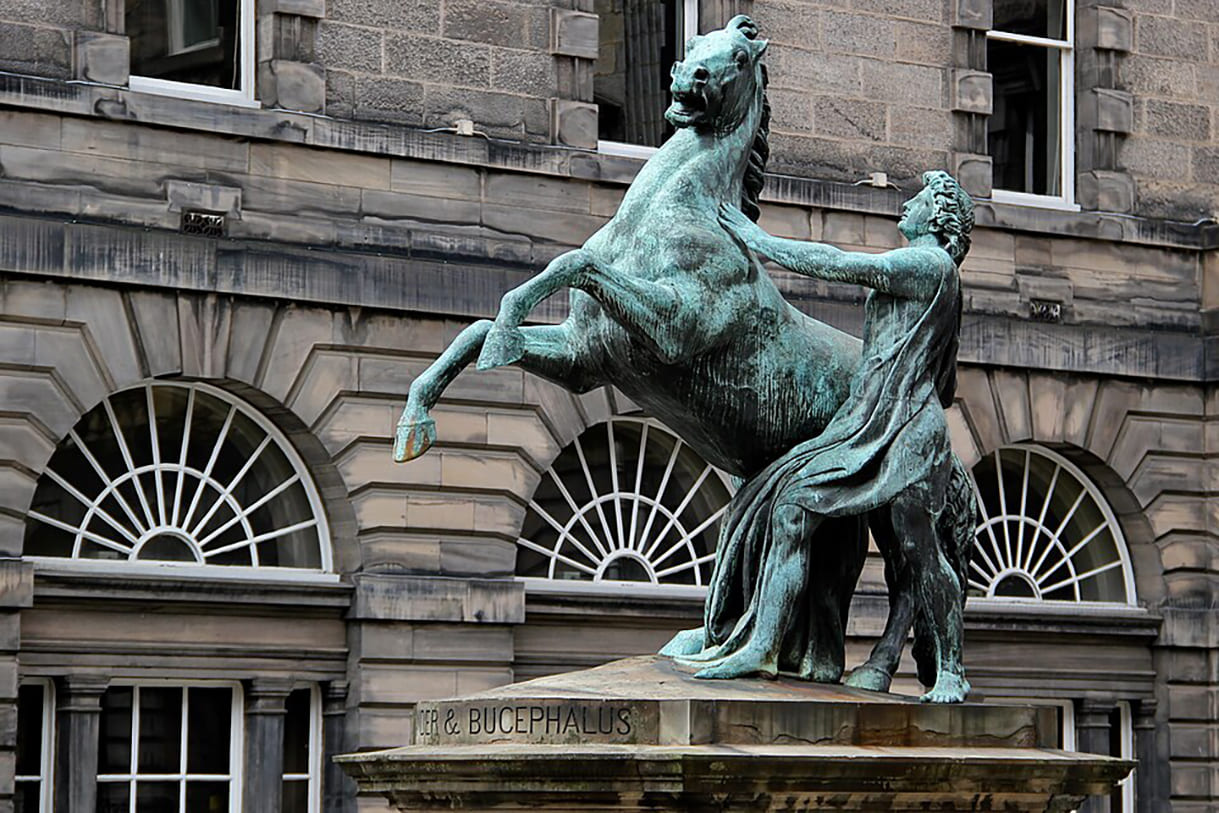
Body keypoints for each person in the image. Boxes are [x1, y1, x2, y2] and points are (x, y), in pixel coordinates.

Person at [682, 170, 974, 703]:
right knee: (793, 505)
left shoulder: (929, 264)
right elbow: (948, 380)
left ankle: (951, 669)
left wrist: (758, 241)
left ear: (936, 218)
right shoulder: (935, 280)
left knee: (919, 548)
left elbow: (841, 265)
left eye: (918, 200)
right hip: (869, 419)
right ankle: (762, 645)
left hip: (905, 427)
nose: (903, 207)